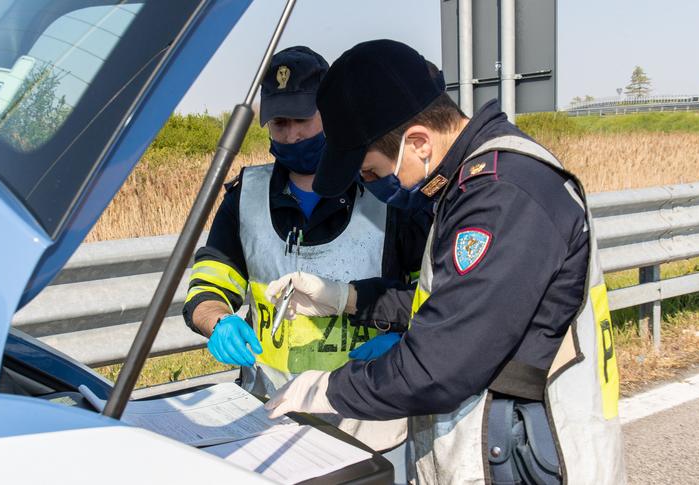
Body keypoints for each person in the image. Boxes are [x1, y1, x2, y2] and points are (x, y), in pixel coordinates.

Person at [263, 40, 626, 484]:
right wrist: (347, 298)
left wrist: (328, 389)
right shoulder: (471, 183)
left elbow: (437, 367)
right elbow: (448, 300)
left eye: (372, 173)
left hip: (532, 462)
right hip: (509, 450)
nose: (374, 186)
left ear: (417, 143)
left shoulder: (502, 197)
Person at [181, 46, 429, 471]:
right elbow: (207, 285)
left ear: (330, 113)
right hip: (271, 419)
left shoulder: (387, 193)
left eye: (302, 119)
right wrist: (218, 322)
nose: (292, 135)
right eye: (280, 123)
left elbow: (430, 299)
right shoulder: (246, 198)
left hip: (368, 421)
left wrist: (402, 342)